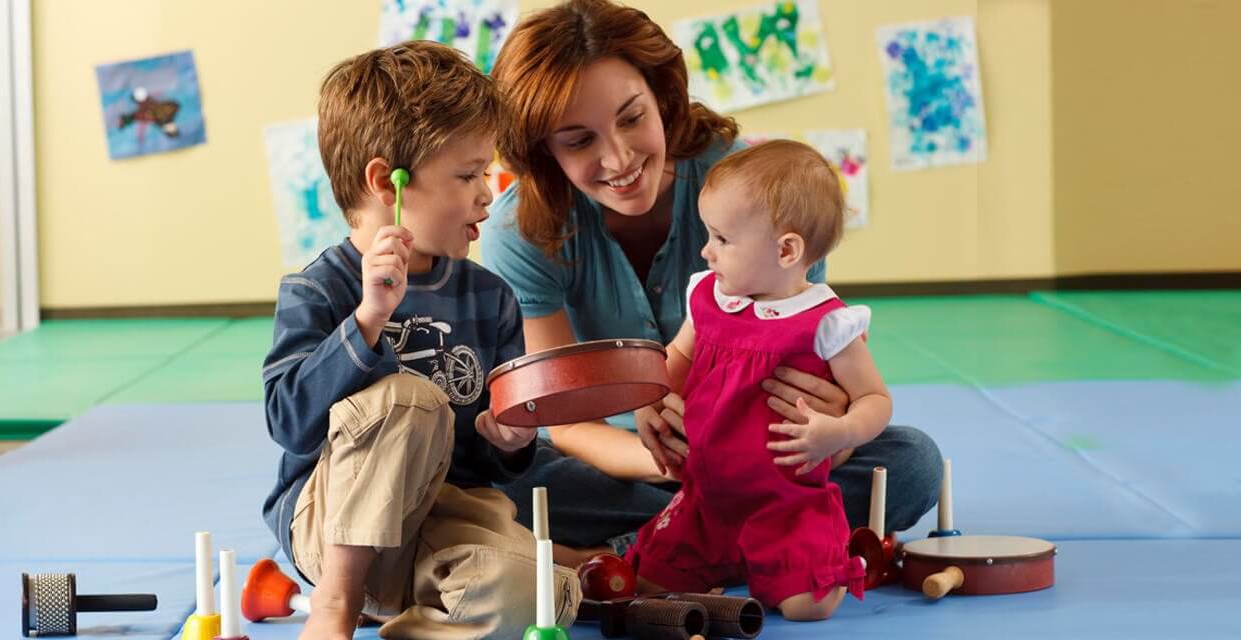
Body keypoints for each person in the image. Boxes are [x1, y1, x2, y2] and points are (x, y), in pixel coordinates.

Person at [482, 0, 941, 563]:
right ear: (544, 151)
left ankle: (639, 552)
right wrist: (674, 463)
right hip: (629, 459)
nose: (619, 158)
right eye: (579, 141)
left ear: (661, 97)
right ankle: (755, 542)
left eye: (632, 118)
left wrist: (831, 430)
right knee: (506, 483)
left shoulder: (758, 188)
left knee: (912, 462)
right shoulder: (519, 230)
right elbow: (571, 422)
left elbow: (831, 386)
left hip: (765, 451)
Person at [260, 41, 579, 640]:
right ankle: (337, 603)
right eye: (468, 174)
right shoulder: (317, 290)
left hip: (440, 527)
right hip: (330, 527)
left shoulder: (491, 298)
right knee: (412, 399)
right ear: (389, 182)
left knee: (546, 596)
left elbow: (489, 465)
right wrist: (367, 319)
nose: (487, 192)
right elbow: (289, 422)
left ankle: (401, 619)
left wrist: (511, 441)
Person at [628, 139, 882, 620]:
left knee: (809, 607)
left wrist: (841, 431)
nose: (706, 251)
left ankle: (808, 559)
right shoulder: (707, 297)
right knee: (646, 584)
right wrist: (648, 399)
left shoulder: (826, 322)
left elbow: (874, 398)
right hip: (705, 497)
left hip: (786, 504)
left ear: (786, 250)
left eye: (721, 240)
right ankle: (736, 560)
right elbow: (676, 356)